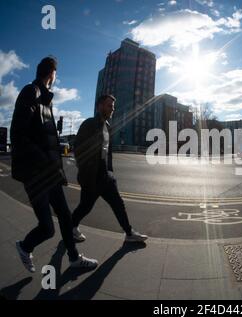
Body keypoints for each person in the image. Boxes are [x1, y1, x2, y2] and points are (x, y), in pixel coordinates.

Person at [10, 57, 98, 273]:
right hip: (36, 174)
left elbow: (45, 139)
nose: (56, 77)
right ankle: (24, 246)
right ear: (51, 73)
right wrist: (43, 160)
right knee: (47, 229)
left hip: (49, 173)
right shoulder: (31, 92)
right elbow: (18, 134)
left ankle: (74, 258)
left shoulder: (46, 101)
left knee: (66, 218)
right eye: (56, 73)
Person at [71, 94, 147, 243]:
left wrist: (110, 171)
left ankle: (129, 233)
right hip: (92, 177)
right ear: (99, 106)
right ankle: (71, 227)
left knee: (118, 204)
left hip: (106, 175)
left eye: (113, 106)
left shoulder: (108, 127)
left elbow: (107, 153)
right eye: (109, 106)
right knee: (85, 206)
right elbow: (78, 149)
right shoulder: (89, 124)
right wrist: (86, 173)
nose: (112, 109)